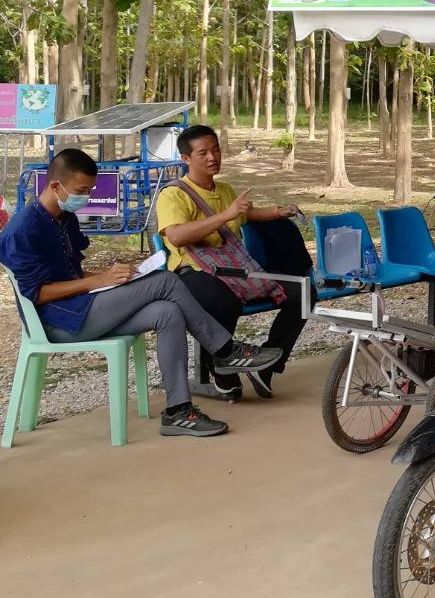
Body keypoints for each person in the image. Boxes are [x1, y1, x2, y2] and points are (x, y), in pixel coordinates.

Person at [0, 148, 278, 437]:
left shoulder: (64, 217)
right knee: (166, 281)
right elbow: (37, 294)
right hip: (58, 323)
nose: (87, 197)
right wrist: (98, 281)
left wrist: (115, 277)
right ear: (55, 186)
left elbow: (72, 274)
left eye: (90, 190)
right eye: (81, 191)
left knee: (167, 312)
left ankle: (178, 411)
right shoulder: (23, 230)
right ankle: (225, 351)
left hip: (81, 308)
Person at [157, 124, 314, 400]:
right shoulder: (174, 194)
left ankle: (267, 366)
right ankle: (221, 367)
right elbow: (177, 236)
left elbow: (247, 214)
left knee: (303, 291)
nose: (212, 157)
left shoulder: (225, 190)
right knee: (224, 302)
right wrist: (224, 215)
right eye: (203, 153)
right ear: (186, 158)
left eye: (216, 150)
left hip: (232, 268)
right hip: (193, 272)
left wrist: (278, 211)